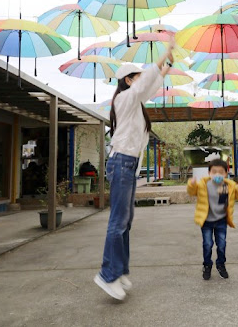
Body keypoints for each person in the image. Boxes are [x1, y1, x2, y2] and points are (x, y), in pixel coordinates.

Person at [94, 40, 175, 301]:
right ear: (128, 81)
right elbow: (144, 84)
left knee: (125, 223)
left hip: (127, 166)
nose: (142, 82)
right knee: (117, 223)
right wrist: (162, 55)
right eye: (137, 77)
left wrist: (166, 68)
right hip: (120, 164)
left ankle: (119, 271)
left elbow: (149, 86)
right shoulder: (125, 100)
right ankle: (107, 275)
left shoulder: (134, 102)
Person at [187, 157, 238, 280]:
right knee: (207, 244)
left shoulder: (228, 185)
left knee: (221, 244)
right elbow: (192, 191)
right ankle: (207, 265)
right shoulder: (203, 184)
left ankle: (221, 264)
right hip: (207, 221)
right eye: (214, 172)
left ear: (226, 173)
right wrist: (191, 184)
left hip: (221, 220)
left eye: (221, 172)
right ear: (209, 173)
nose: (217, 174)